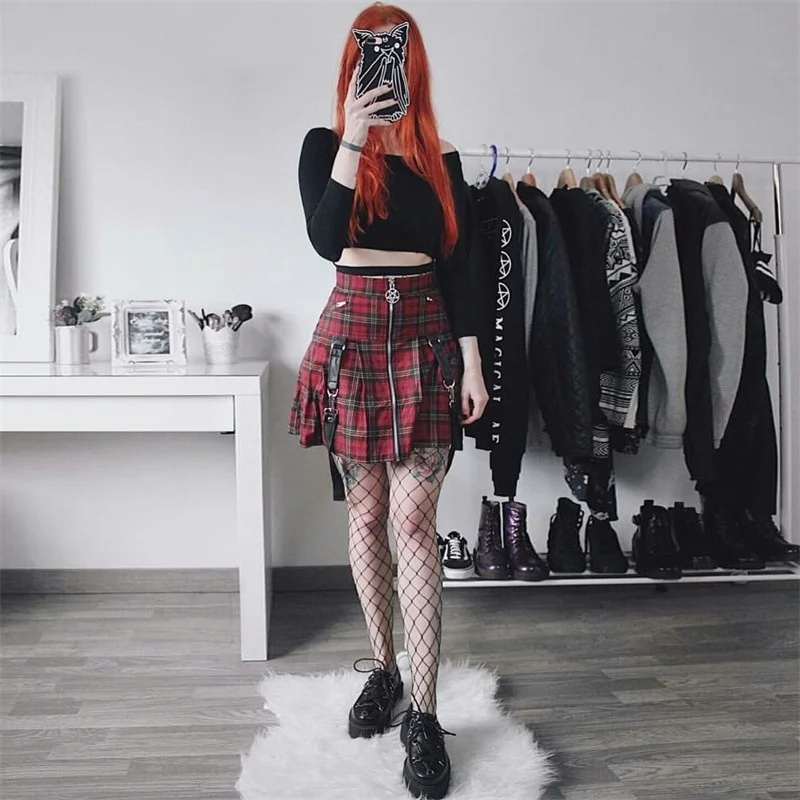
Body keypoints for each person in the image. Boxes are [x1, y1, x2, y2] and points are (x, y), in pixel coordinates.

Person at [288, 3, 488, 797]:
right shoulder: (323, 146)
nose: (382, 66)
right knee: (368, 516)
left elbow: (463, 268)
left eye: (394, 53)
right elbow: (325, 239)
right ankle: (383, 669)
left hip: (427, 339)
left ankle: (426, 717)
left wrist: (473, 363)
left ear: (415, 64)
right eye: (369, 54)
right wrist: (355, 135)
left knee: (413, 522)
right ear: (352, 66)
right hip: (352, 335)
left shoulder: (443, 159)